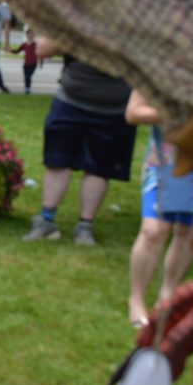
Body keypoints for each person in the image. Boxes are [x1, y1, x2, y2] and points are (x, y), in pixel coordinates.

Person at [22, 38, 136, 245]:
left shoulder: (134, 20)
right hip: (70, 100)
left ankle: (85, 227)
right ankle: (46, 222)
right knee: (57, 160)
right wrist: (80, 33)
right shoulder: (75, 15)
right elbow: (42, 49)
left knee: (99, 168)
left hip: (115, 107)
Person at [124, 89, 193, 328]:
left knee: (188, 233)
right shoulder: (158, 68)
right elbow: (133, 113)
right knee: (153, 231)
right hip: (165, 161)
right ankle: (136, 300)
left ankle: (168, 296)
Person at [9, 26, 40, 94]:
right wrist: (10, 50)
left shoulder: (35, 45)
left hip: (33, 63)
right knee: (26, 77)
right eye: (29, 34)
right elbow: (17, 51)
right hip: (26, 64)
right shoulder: (24, 45)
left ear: (34, 35)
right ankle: (27, 89)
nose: (30, 35)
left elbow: (40, 53)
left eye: (32, 34)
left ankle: (28, 88)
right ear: (26, 35)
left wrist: (41, 62)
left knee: (28, 76)